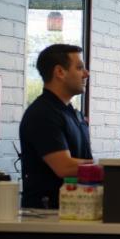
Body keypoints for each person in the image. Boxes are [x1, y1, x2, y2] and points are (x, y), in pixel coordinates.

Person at [19, 44, 94, 209]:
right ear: (60, 72)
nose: (86, 74)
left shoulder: (72, 113)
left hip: (74, 210)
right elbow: (65, 167)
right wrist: (112, 168)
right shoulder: (42, 114)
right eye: (80, 68)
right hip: (47, 218)